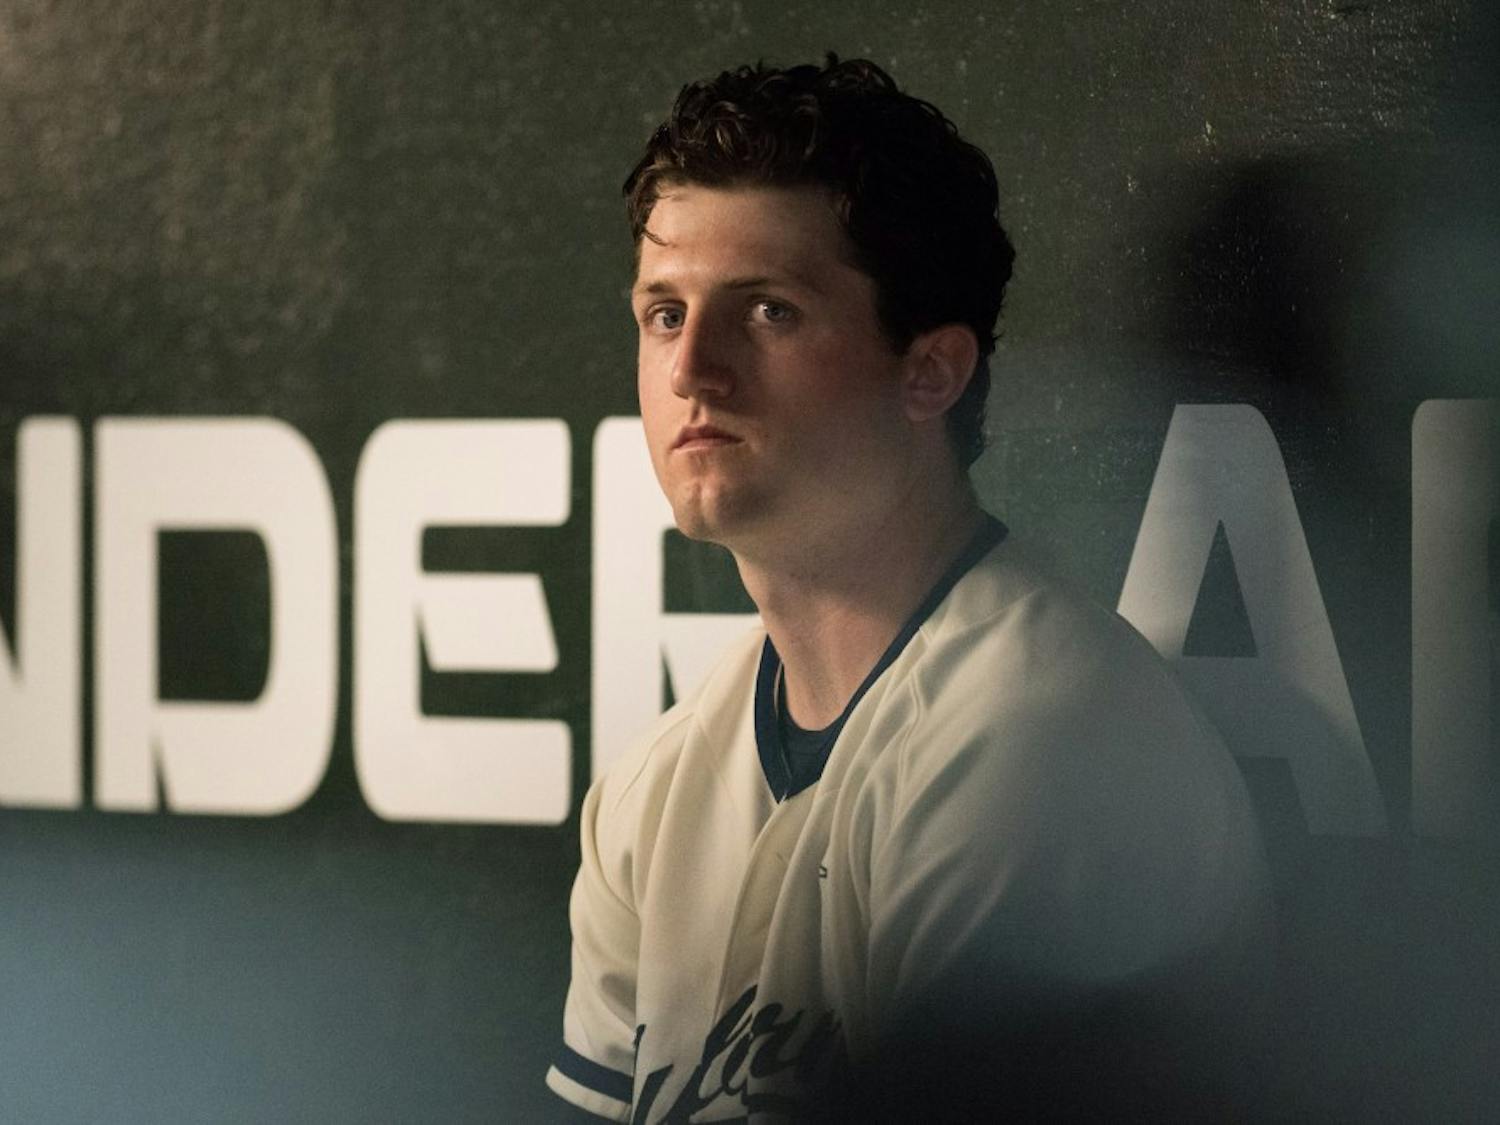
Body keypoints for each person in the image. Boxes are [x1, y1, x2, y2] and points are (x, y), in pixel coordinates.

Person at [546, 55, 1271, 1122]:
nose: (693, 368)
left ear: (930, 370)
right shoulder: (655, 791)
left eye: (768, 312)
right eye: (664, 313)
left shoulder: (1043, 749)